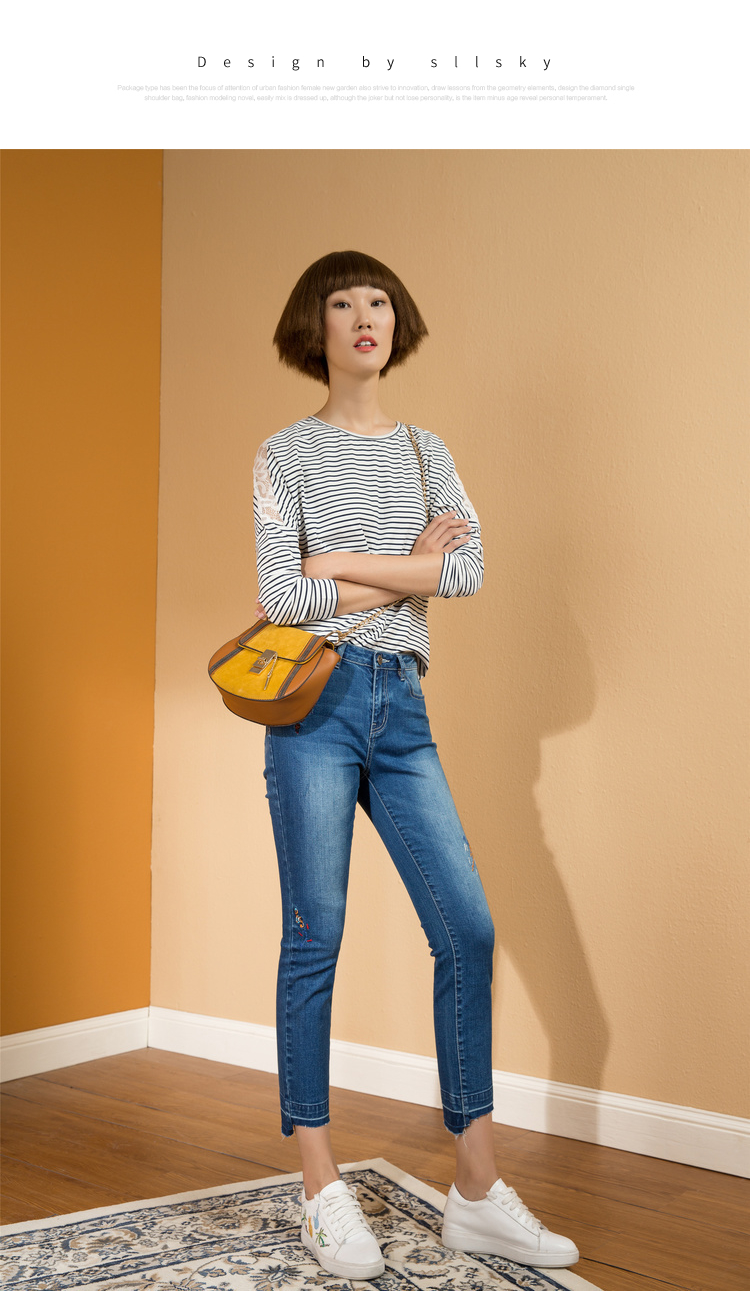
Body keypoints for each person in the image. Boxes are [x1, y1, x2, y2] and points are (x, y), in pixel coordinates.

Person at [253, 250, 579, 1280]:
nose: (366, 315)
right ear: (314, 325)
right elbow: (281, 599)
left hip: (401, 708)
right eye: (344, 301)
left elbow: (468, 570)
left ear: (397, 325)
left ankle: (476, 1189)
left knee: (467, 929)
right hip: (313, 708)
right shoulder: (283, 454)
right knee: (316, 934)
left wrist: (340, 563)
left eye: (381, 301)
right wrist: (410, 568)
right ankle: (320, 1185)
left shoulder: (428, 452)